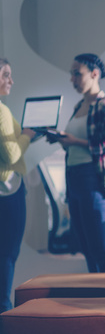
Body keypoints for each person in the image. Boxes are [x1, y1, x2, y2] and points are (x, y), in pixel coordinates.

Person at [51, 53, 105, 272]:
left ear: (94, 74)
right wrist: (63, 140)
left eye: (77, 74)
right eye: (71, 74)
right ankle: (97, 300)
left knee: (100, 248)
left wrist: (75, 141)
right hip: (73, 178)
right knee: (86, 248)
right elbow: (78, 144)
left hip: (93, 178)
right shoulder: (79, 106)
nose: (72, 79)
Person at [0, 58, 36, 312]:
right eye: (5, 75)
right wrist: (27, 135)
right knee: (7, 255)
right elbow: (11, 154)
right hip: (7, 191)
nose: (10, 81)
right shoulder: (1, 110)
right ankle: (4, 316)